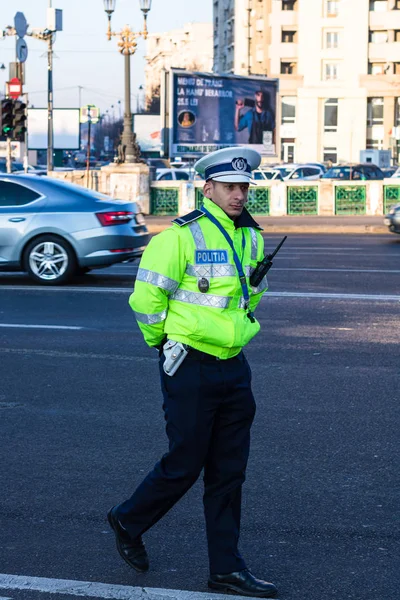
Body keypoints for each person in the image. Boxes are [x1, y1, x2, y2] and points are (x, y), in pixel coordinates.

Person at [107, 147, 278, 598]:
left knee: (229, 472)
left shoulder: (252, 238)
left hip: (234, 366)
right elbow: (146, 301)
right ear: (208, 189)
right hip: (189, 364)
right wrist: (164, 345)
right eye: (230, 187)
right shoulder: (178, 237)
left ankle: (226, 569)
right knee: (185, 463)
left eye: (244, 187)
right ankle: (128, 519)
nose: (240, 194)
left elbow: (248, 296)